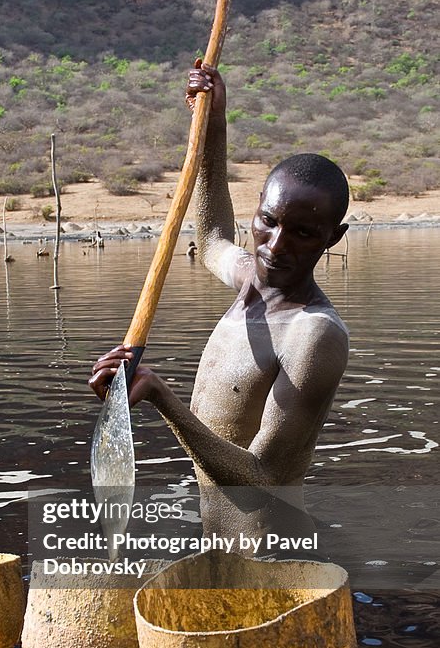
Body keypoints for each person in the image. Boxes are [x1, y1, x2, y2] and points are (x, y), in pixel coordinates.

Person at [89, 62, 350, 548]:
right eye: (268, 221)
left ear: (333, 237)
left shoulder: (314, 334)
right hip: (220, 544)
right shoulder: (250, 279)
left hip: (275, 558)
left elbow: (263, 480)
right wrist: (213, 122)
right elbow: (209, 237)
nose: (275, 245)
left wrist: (162, 398)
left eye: (303, 233)